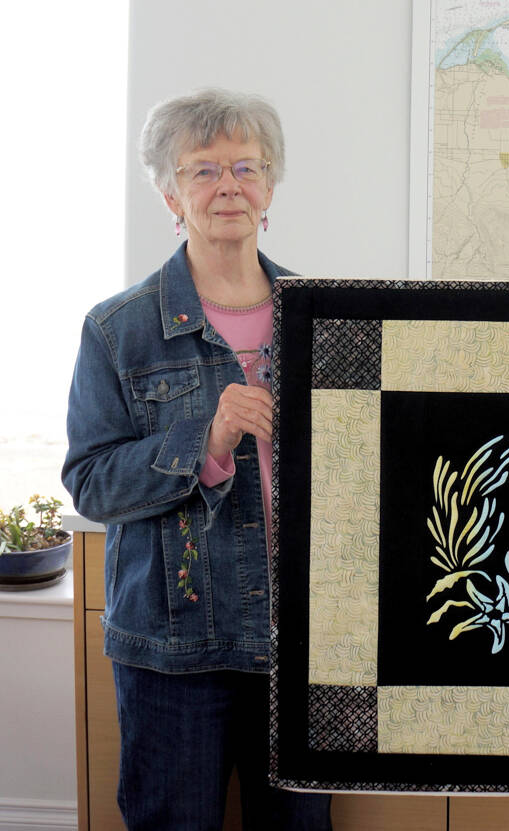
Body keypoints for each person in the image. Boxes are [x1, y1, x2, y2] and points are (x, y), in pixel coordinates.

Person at [63, 89, 331, 830]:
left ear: (270, 186)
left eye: (247, 166)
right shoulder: (117, 329)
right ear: (170, 194)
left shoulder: (323, 316)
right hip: (171, 649)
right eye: (204, 169)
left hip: (301, 644)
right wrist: (203, 443)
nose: (228, 186)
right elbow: (91, 482)